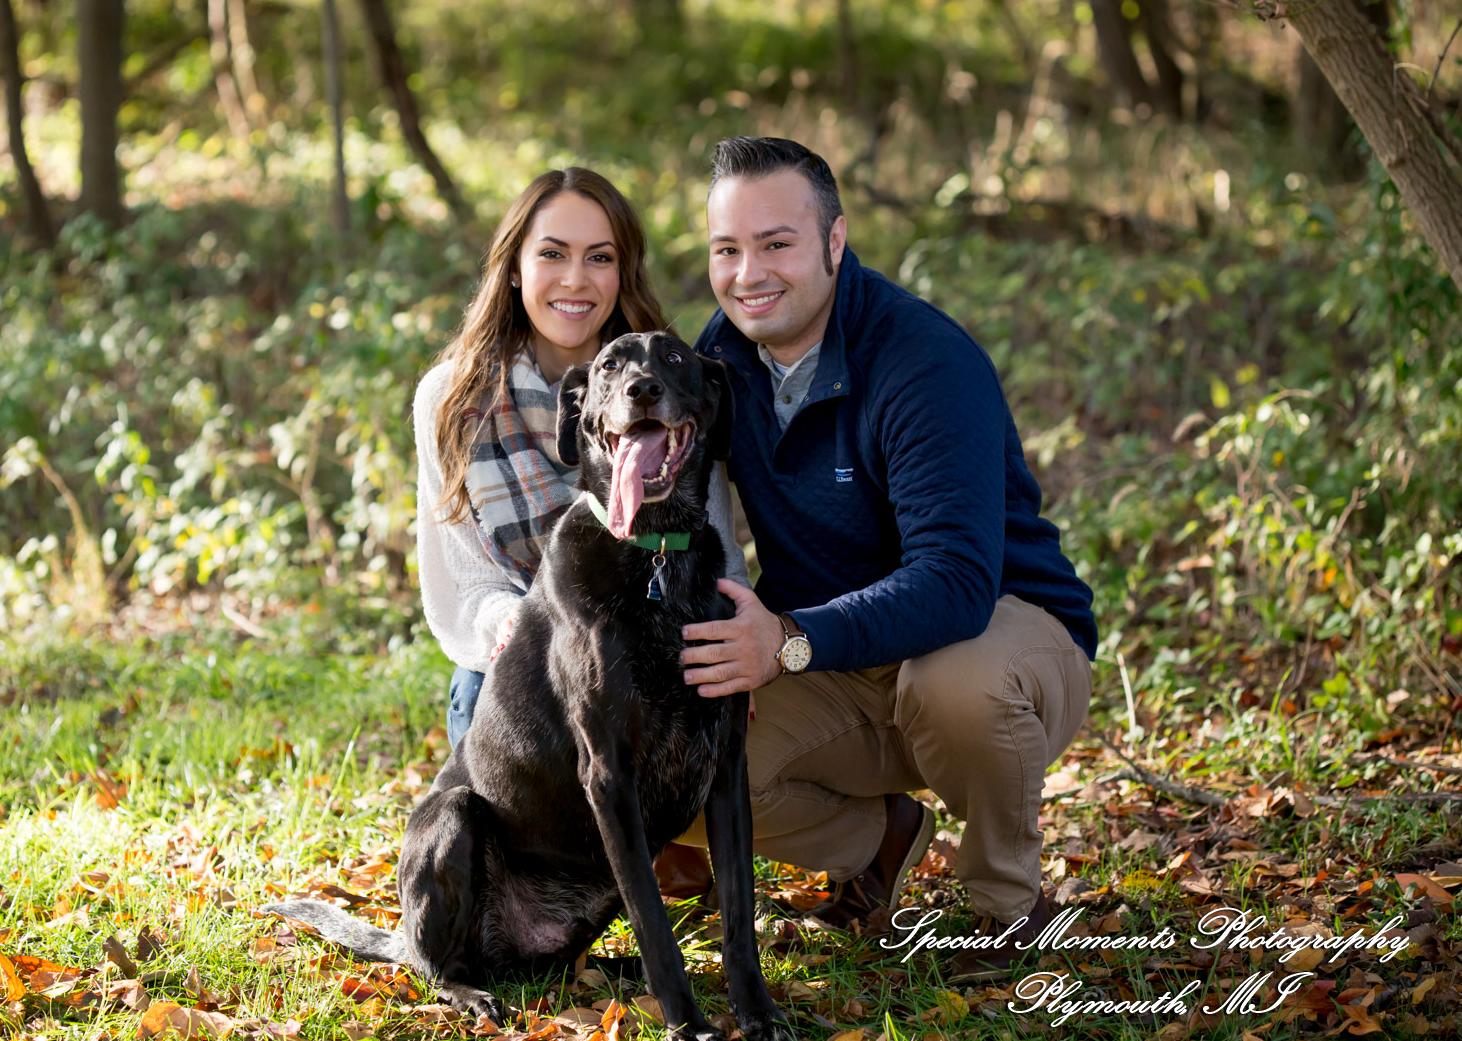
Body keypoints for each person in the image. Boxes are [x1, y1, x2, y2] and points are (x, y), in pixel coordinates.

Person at [676, 137, 1096, 977]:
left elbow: (955, 583)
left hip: (1001, 632)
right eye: (728, 249)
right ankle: (882, 840)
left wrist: (787, 639)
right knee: (681, 760)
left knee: (953, 682)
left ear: (835, 243)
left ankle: (1009, 908)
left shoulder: (919, 360)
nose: (748, 272)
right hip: (839, 655)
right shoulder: (722, 360)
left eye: (777, 243)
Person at [413, 167, 751, 756]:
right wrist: (517, 624)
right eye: (552, 254)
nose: (576, 279)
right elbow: (463, 578)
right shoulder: (453, 398)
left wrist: (731, 642)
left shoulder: (669, 383)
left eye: (600, 258)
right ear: (514, 269)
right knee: (480, 689)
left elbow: (708, 535)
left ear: (622, 275)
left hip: (657, 640)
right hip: (528, 643)